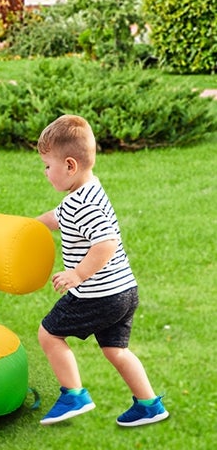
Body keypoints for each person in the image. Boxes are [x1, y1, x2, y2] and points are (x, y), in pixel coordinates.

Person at [35, 114, 168, 427]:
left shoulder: (83, 203)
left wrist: (78, 275)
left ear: (70, 165)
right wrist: (27, 227)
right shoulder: (88, 189)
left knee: (49, 334)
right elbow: (58, 216)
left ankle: (74, 395)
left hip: (98, 293)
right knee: (115, 350)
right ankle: (149, 405)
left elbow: (105, 243)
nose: (45, 173)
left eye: (47, 166)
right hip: (124, 291)